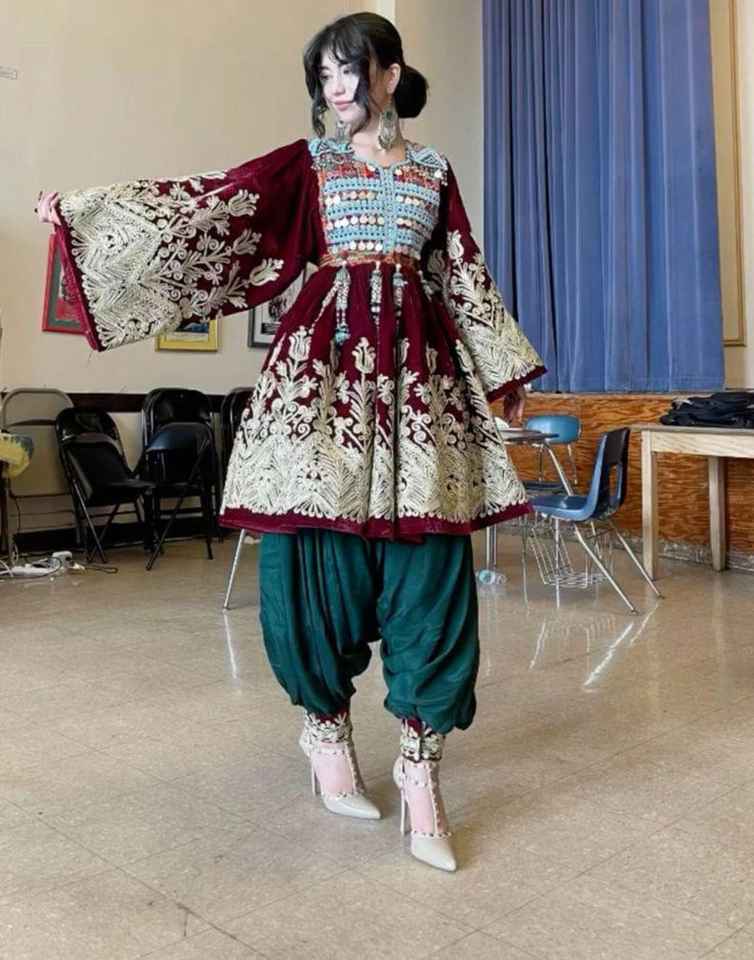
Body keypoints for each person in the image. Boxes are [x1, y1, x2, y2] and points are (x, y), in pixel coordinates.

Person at [37, 12, 545, 872]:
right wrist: (85, 219)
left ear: (390, 74)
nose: (336, 88)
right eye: (324, 75)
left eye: (350, 69)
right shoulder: (307, 165)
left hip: (418, 387)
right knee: (315, 555)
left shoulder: (433, 170)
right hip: (321, 382)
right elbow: (211, 207)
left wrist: (503, 370)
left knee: (430, 565)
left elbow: (461, 270)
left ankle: (421, 770)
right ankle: (326, 735)